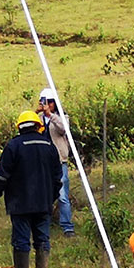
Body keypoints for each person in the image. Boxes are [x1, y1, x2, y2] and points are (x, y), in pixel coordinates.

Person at [0, 110, 61, 268]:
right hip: (43, 202)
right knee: (42, 239)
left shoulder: (13, 146)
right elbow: (58, 178)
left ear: (19, 127)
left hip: (20, 204)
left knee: (21, 240)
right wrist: (51, 198)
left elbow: (3, 176)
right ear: (38, 126)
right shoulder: (49, 146)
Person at [40, 87, 75, 236]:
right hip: (43, 161)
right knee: (44, 195)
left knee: (62, 195)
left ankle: (67, 226)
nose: (47, 105)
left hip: (59, 160)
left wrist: (50, 115)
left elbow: (63, 129)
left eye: (49, 102)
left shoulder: (62, 117)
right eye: (44, 102)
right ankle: (44, 225)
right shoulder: (39, 119)